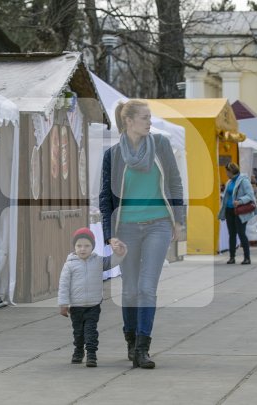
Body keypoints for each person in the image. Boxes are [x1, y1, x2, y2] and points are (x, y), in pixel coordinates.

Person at [99, 100, 185, 369]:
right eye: (145, 118)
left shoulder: (160, 145)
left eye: (150, 117)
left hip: (158, 225)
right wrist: (109, 235)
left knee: (147, 288)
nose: (150, 122)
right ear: (129, 121)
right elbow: (105, 198)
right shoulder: (113, 155)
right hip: (126, 229)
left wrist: (179, 220)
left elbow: (174, 181)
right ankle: (130, 339)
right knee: (130, 290)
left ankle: (142, 347)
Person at [58, 228, 127, 367]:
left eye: (87, 246)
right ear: (74, 247)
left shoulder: (98, 261)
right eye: (79, 246)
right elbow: (63, 285)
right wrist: (63, 304)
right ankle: (78, 350)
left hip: (93, 306)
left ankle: (91, 354)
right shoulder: (69, 265)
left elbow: (112, 261)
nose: (82, 249)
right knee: (78, 333)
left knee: (90, 331)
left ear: (93, 247)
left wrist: (120, 253)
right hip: (76, 307)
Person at [219, 162, 257, 264]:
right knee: (231, 234)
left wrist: (240, 201)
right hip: (229, 210)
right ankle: (232, 257)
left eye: (227, 171)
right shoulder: (229, 182)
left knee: (241, 233)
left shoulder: (244, 181)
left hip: (240, 210)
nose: (226, 174)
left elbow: (250, 195)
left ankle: (247, 257)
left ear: (231, 171)